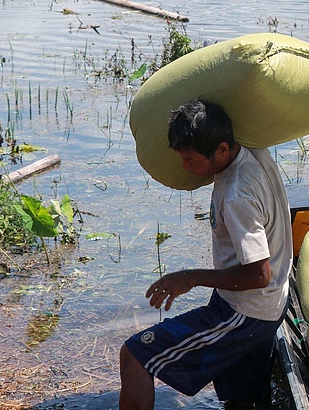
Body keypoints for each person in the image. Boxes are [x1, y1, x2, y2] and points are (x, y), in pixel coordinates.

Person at [119, 99, 292, 410]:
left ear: (222, 150)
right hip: (272, 302)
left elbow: (258, 273)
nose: (186, 167)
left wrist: (190, 277)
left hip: (246, 311)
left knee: (135, 355)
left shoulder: (238, 194)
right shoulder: (255, 151)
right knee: (244, 401)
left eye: (192, 160)